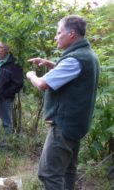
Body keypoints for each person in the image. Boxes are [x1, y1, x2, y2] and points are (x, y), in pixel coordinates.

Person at [26, 15, 99, 190]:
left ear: (72, 34)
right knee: (68, 169)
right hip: (77, 125)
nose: (55, 37)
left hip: (63, 127)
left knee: (48, 174)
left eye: (59, 32)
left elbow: (43, 84)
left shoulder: (75, 59)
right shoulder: (87, 55)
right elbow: (73, 73)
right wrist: (49, 63)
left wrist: (31, 75)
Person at [0, 41, 23, 145]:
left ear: (7, 49)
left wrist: (5, 94)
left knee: (6, 123)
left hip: (5, 99)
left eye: (1, 47)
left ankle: (8, 143)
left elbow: (18, 84)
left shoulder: (13, 64)